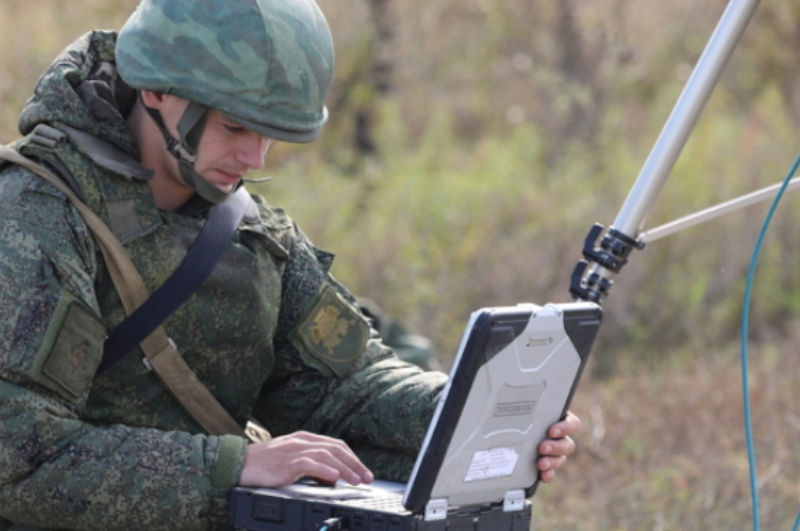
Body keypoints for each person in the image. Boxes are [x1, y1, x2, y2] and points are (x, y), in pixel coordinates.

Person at [0, 0, 581, 529]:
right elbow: (18, 457)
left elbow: (345, 387)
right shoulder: (35, 217)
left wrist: (467, 414)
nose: (254, 158)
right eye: (234, 126)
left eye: (270, 135)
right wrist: (234, 466)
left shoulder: (251, 233)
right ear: (155, 90)